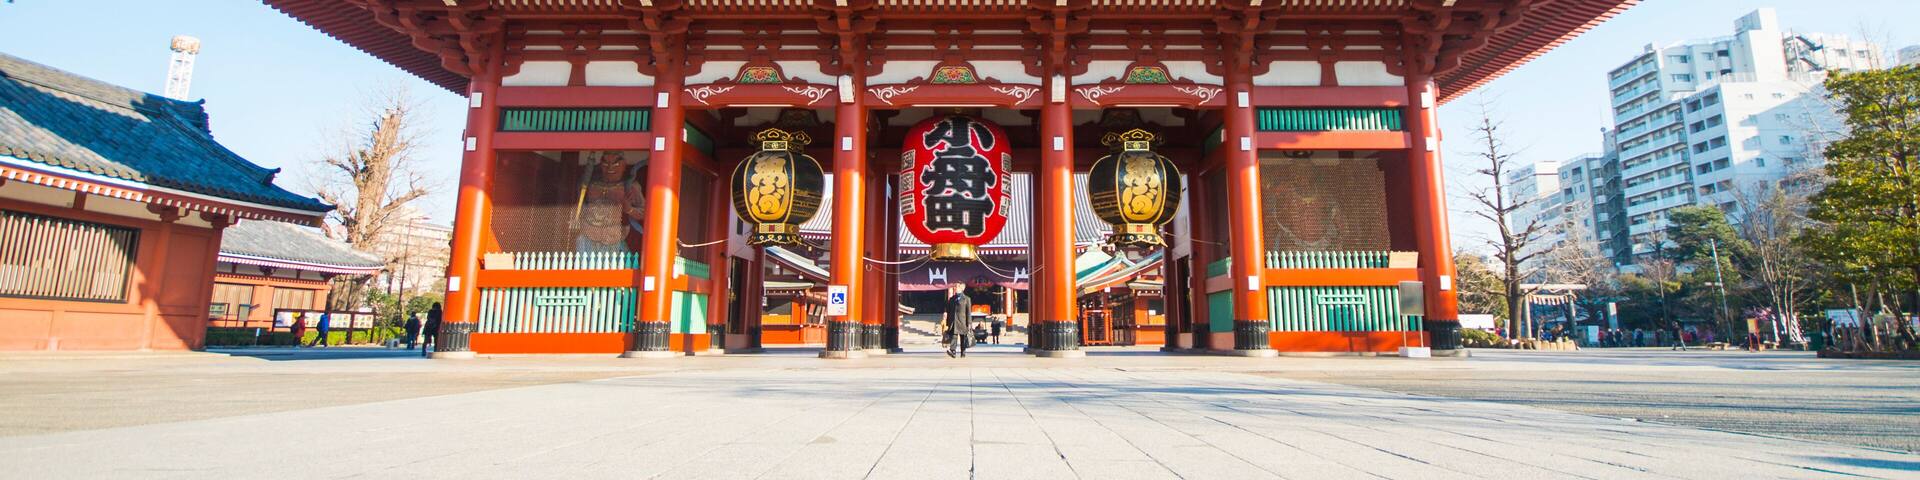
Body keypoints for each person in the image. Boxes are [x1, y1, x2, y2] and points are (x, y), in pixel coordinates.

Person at [943, 284, 972, 358]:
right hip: (954, 321)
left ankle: (963, 352)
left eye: (957, 287)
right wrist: (947, 320)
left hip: (963, 321)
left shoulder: (967, 299)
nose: (956, 288)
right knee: (954, 336)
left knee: (963, 338)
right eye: (955, 287)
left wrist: (969, 323)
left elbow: (968, 312)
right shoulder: (952, 299)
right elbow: (948, 310)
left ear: (962, 288)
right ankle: (953, 351)